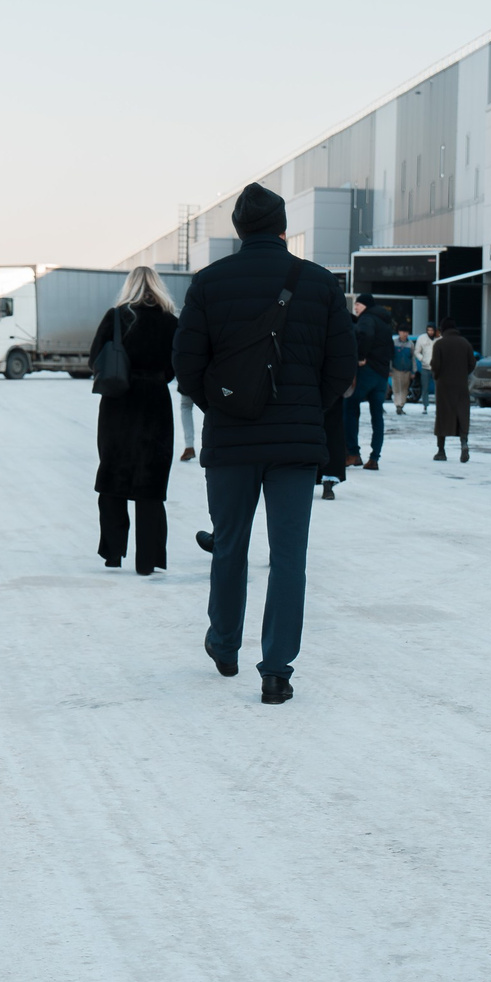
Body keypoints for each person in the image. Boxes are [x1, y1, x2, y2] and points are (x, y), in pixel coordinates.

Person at [172, 183, 357, 703]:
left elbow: (186, 366)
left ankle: (225, 644)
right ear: (281, 227)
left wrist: (226, 403)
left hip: (231, 441)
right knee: (289, 556)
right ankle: (277, 670)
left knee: (230, 545)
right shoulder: (319, 284)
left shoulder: (208, 284)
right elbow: (341, 365)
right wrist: (304, 408)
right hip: (295, 445)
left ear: (238, 229)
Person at [92, 266, 180, 575]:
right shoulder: (171, 322)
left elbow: (95, 358)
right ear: (159, 287)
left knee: (114, 474)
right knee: (150, 480)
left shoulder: (116, 317)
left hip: (118, 401)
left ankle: (113, 553)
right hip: (155, 402)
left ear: (129, 286)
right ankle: (148, 560)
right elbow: (176, 365)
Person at [345, 296, 395, 470]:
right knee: (377, 416)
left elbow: (365, 335)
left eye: (357, 304)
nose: (356, 308)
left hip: (367, 372)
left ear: (364, 305)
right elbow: (390, 348)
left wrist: (360, 357)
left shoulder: (367, 319)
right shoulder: (385, 322)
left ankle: (353, 453)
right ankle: (374, 458)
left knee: (350, 407)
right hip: (381, 375)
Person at [429, 321, 476, 461]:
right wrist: (463, 374)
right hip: (461, 385)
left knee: (443, 416)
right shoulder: (465, 343)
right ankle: (464, 443)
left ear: (443, 329)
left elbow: (435, 365)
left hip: (443, 386)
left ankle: (441, 451)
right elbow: (472, 363)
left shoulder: (439, 344)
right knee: (462, 413)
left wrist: (437, 376)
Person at [392, 319, 418, 413]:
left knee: (404, 389)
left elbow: (413, 358)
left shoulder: (410, 344)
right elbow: (390, 357)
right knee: (396, 388)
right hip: (396, 369)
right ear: (399, 332)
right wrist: (389, 369)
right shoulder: (394, 343)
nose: (405, 334)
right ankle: (398, 405)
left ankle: (401, 405)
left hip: (407, 370)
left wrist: (413, 371)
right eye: (403, 332)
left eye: (406, 332)